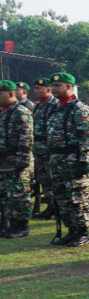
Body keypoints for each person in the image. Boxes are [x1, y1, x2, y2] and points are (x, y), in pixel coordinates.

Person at [46, 72, 89, 247]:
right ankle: (71, 230)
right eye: (52, 85)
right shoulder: (56, 107)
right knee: (62, 197)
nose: (53, 89)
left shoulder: (79, 108)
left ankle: (82, 232)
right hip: (56, 158)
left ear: (68, 87)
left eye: (57, 85)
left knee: (77, 197)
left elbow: (85, 136)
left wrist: (84, 161)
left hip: (72, 159)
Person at [0, 80, 33, 238]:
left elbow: (26, 139)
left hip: (15, 159)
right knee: (5, 193)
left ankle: (21, 226)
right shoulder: (3, 111)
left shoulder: (21, 112)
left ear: (11, 94)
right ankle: (9, 223)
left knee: (18, 194)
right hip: (3, 159)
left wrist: (22, 162)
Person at [30, 78, 59, 220]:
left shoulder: (55, 105)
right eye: (35, 88)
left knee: (53, 178)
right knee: (43, 178)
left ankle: (56, 207)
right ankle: (49, 206)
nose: (35, 91)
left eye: (38, 88)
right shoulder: (36, 106)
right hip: (38, 148)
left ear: (48, 90)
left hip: (49, 148)